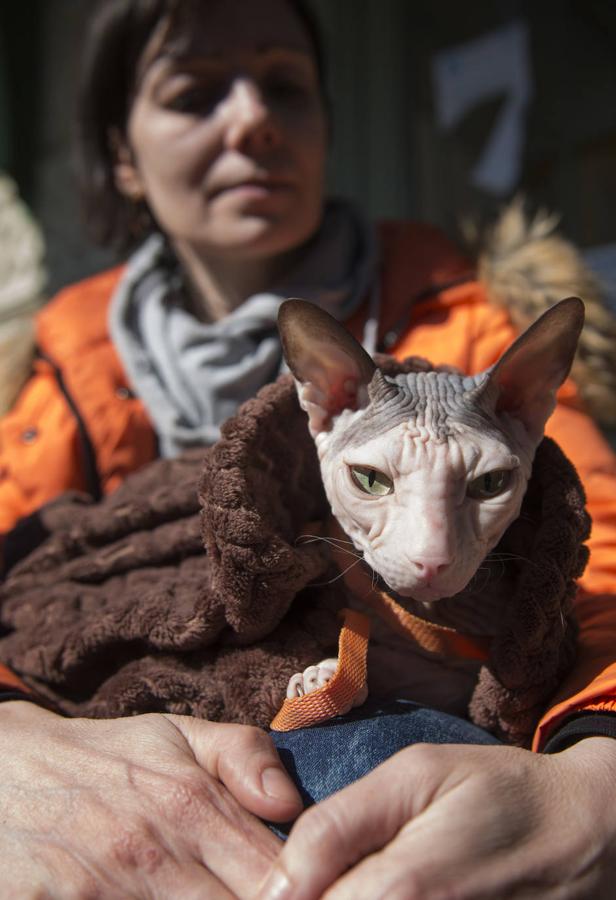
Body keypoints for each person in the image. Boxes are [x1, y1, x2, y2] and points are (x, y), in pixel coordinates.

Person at [1, 0, 616, 896]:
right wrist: (15, 743)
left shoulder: (483, 330)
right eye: (196, 92)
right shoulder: (48, 364)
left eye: (285, 86)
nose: (251, 118)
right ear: (121, 152)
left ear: (327, 122)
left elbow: (598, 570)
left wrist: (598, 774)